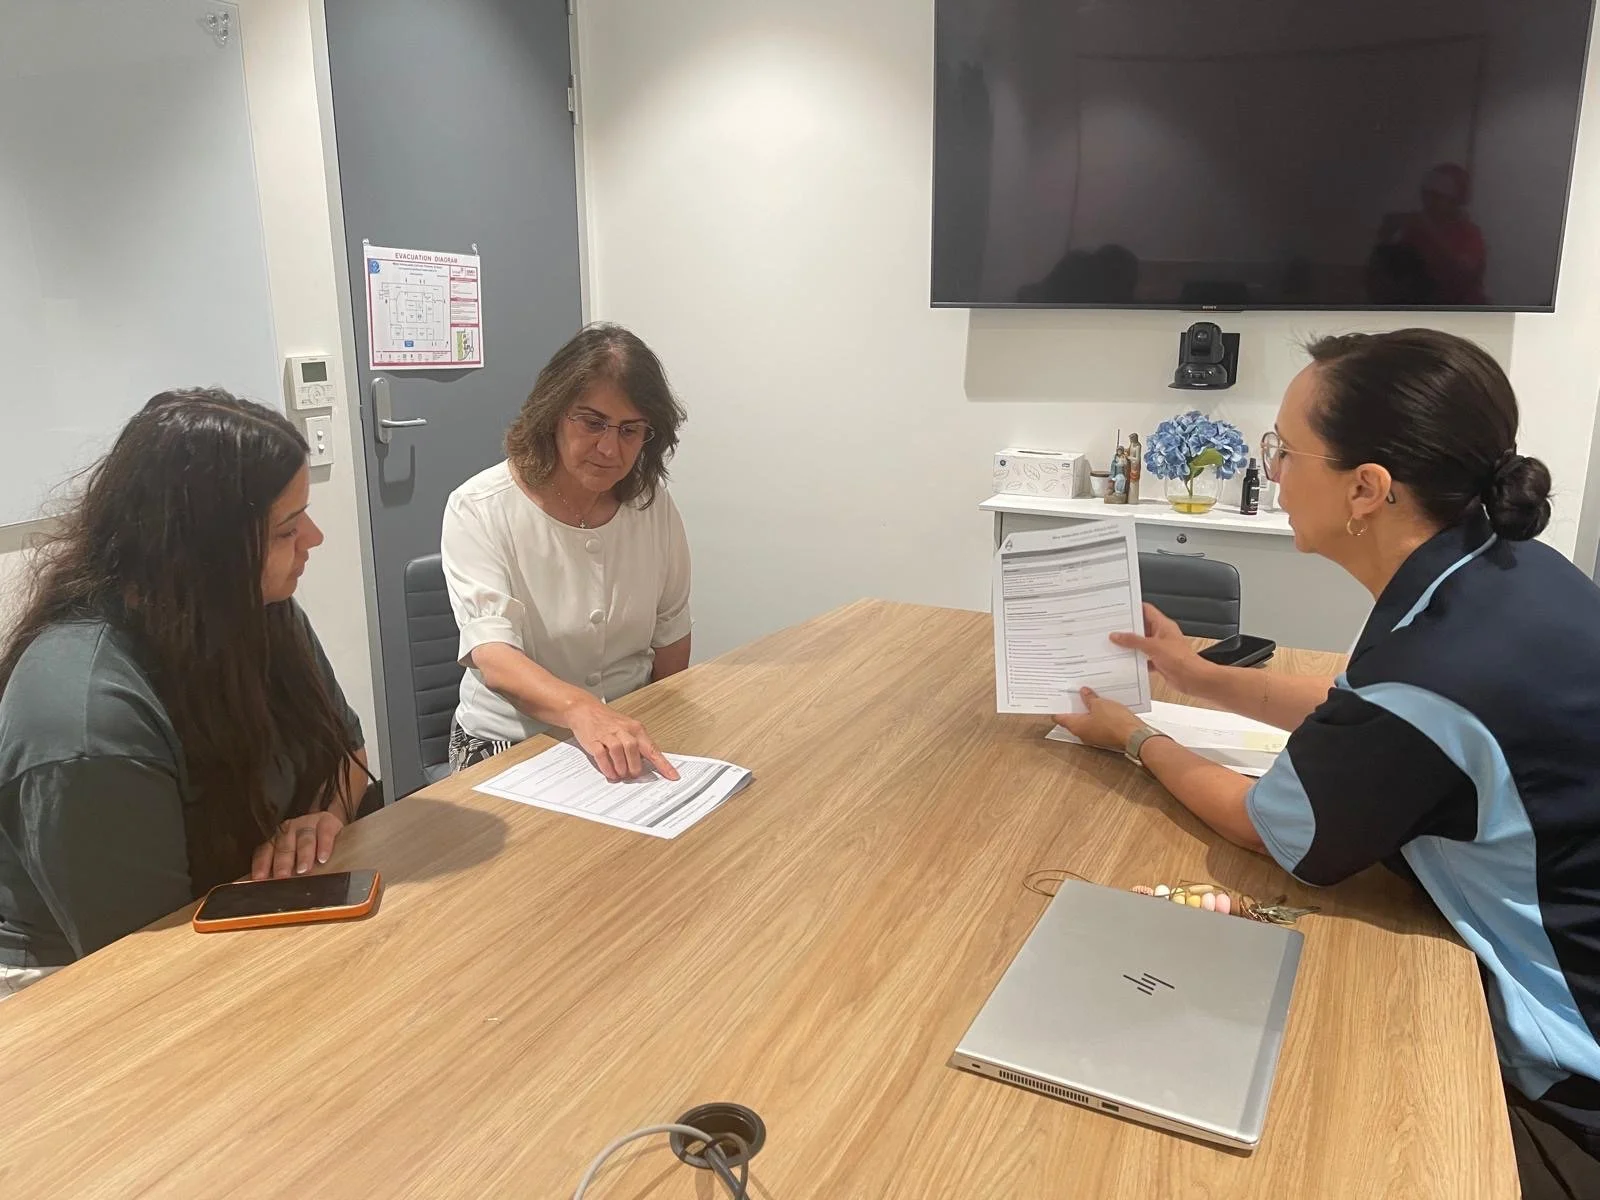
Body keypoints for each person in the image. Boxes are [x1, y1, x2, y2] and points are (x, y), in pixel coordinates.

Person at [1057, 329, 1600, 1197]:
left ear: (1367, 488)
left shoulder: (1436, 665)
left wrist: (1132, 738)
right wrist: (1192, 676)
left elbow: (1270, 831)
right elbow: (1361, 716)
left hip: (1570, 1082)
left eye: (1284, 450)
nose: (1271, 471)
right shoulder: (1496, 575)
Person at [0, 390, 371, 997]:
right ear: (202, 551)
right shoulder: (86, 718)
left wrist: (322, 817)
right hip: (78, 987)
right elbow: (148, 973)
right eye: (286, 529)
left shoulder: (256, 610)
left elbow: (348, 752)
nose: (315, 538)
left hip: (233, 922)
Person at [442, 323, 691, 782]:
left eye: (631, 430)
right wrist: (583, 711)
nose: (609, 447)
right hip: (512, 740)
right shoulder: (478, 507)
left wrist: (660, 722)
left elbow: (671, 633)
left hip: (626, 731)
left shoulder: (649, 504)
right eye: (592, 422)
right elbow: (493, 656)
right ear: (553, 413)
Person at [1375, 163, 1488, 305]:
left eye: (1438, 197)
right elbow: (1396, 273)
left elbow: (1466, 272)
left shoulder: (1470, 233)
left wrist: (1430, 230)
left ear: (1455, 201)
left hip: (1464, 312)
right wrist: (1386, 237)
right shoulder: (1415, 231)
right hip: (1423, 308)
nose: (1429, 202)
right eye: (1427, 195)